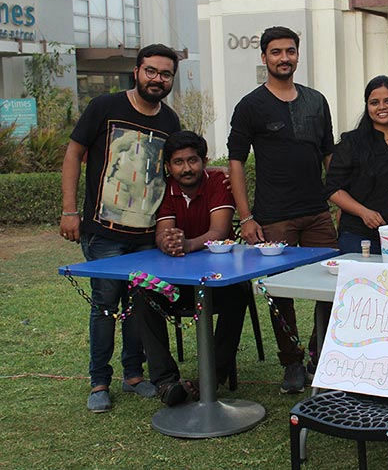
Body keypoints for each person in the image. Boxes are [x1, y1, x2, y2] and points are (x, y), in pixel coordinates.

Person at [60, 44, 181, 412]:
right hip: (103, 231)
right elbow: (73, 154)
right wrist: (69, 210)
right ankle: (99, 381)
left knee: (140, 306)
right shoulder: (105, 106)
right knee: (105, 304)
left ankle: (134, 375)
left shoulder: (170, 121)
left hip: (146, 235)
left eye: (165, 74)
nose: (157, 79)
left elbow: (172, 172)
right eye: (151, 71)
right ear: (137, 71)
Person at [227, 25, 338, 395]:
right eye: (276, 52)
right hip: (273, 216)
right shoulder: (250, 106)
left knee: (332, 286)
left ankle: (319, 353)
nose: (284, 58)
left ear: (297, 55)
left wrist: (338, 201)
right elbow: (236, 162)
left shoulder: (316, 101)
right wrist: (246, 217)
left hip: (318, 212)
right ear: (264, 57)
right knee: (279, 293)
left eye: (290, 51)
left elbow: (329, 156)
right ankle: (291, 362)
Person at [134, 131, 248, 406]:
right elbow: (164, 232)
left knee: (240, 290)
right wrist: (168, 242)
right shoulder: (165, 189)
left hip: (218, 280)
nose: (186, 168)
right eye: (178, 162)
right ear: (168, 166)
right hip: (178, 285)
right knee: (143, 292)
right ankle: (165, 381)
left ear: (204, 161)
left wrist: (187, 244)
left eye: (192, 160)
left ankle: (213, 377)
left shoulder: (219, 182)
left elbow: (218, 231)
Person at [325, 76, 388, 254]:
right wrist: (363, 212)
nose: (382, 107)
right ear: (367, 107)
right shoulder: (352, 142)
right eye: (374, 102)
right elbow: (333, 189)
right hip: (359, 234)